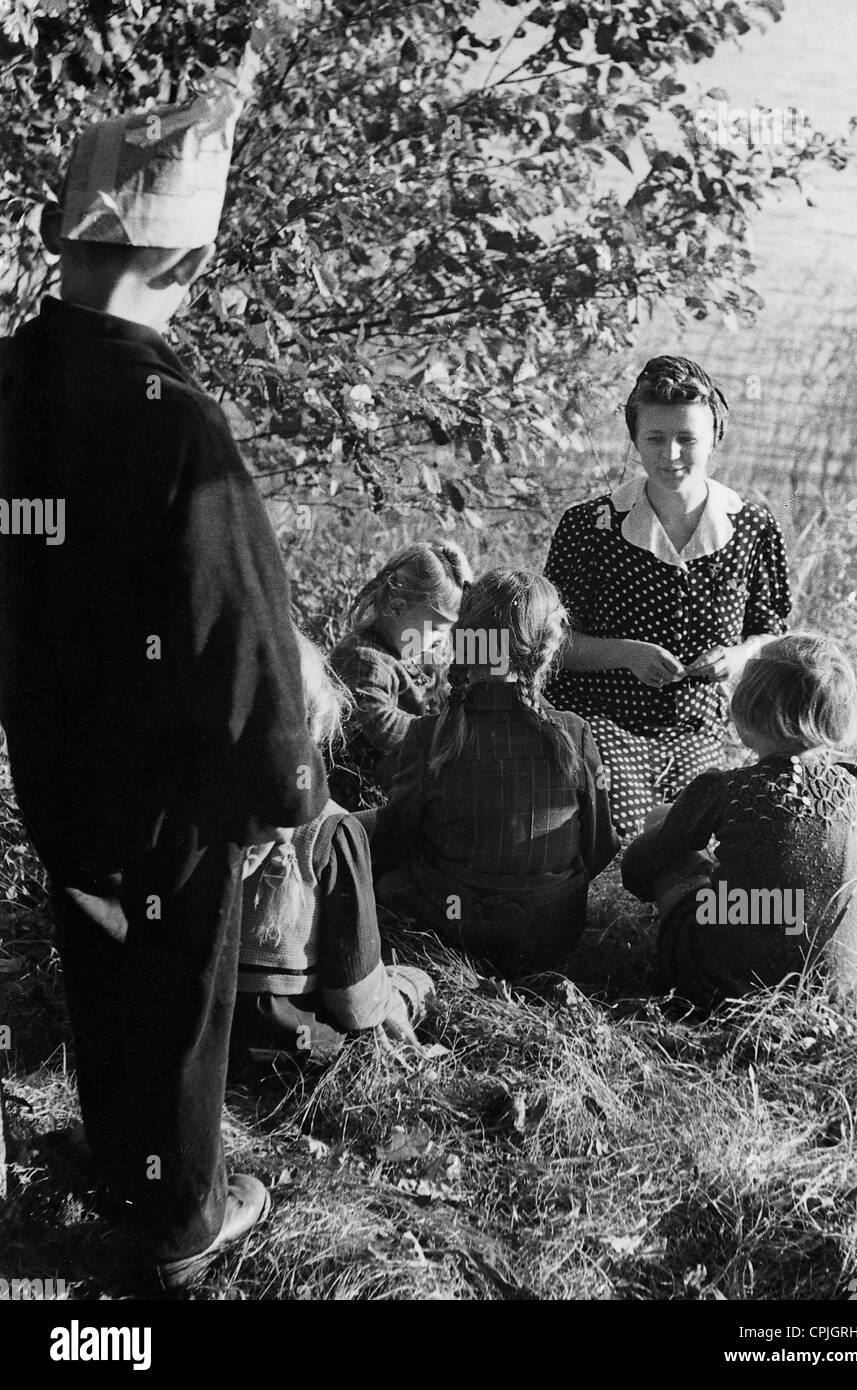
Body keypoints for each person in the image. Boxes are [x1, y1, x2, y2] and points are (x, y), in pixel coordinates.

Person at [0, 54, 328, 1290]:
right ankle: (183, 1211)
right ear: (189, 264)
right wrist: (282, 786)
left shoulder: (17, 376)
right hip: (165, 768)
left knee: (98, 950)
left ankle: (124, 1150)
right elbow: (234, 622)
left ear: (66, 236)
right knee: (179, 980)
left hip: (52, 736)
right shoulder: (172, 420)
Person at [544, 355, 791, 839]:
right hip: (603, 715)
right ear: (635, 439)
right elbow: (550, 645)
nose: (670, 454)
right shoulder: (590, 525)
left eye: (687, 439)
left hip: (699, 723)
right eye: (655, 438)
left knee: (696, 834)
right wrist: (625, 654)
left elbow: (772, 635)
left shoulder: (753, 527)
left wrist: (739, 656)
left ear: (714, 439)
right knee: (632, 833)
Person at [360, 570, 620, 977]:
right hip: (552, 934)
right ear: (548, 649)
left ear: (463, 639)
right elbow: (601, 847)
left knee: (373, 876)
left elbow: (394, 842)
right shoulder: (574, 731)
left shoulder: (431, 734)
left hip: (452, 929)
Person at [621, 634, 857, 1010]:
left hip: (723, 985)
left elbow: (639, 872)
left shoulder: (725, 788)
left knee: (665, 825)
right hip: (841, 994)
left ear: (747, 709)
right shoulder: (856, 787)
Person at [233, 632, 433, 1060]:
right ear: (317, 716)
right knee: (413, 980)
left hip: (205, 1034)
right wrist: (390, 997)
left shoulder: (188, 809)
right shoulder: (333, 829)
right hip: (294, 1041)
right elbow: (354, 1000)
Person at [329, 540, 473, 810]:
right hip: (360, 801)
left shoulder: (413, 654)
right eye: (436, 630)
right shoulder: (363, 657)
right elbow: (381, 725)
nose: (440, 642)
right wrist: (442, 730)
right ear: (396, 608)